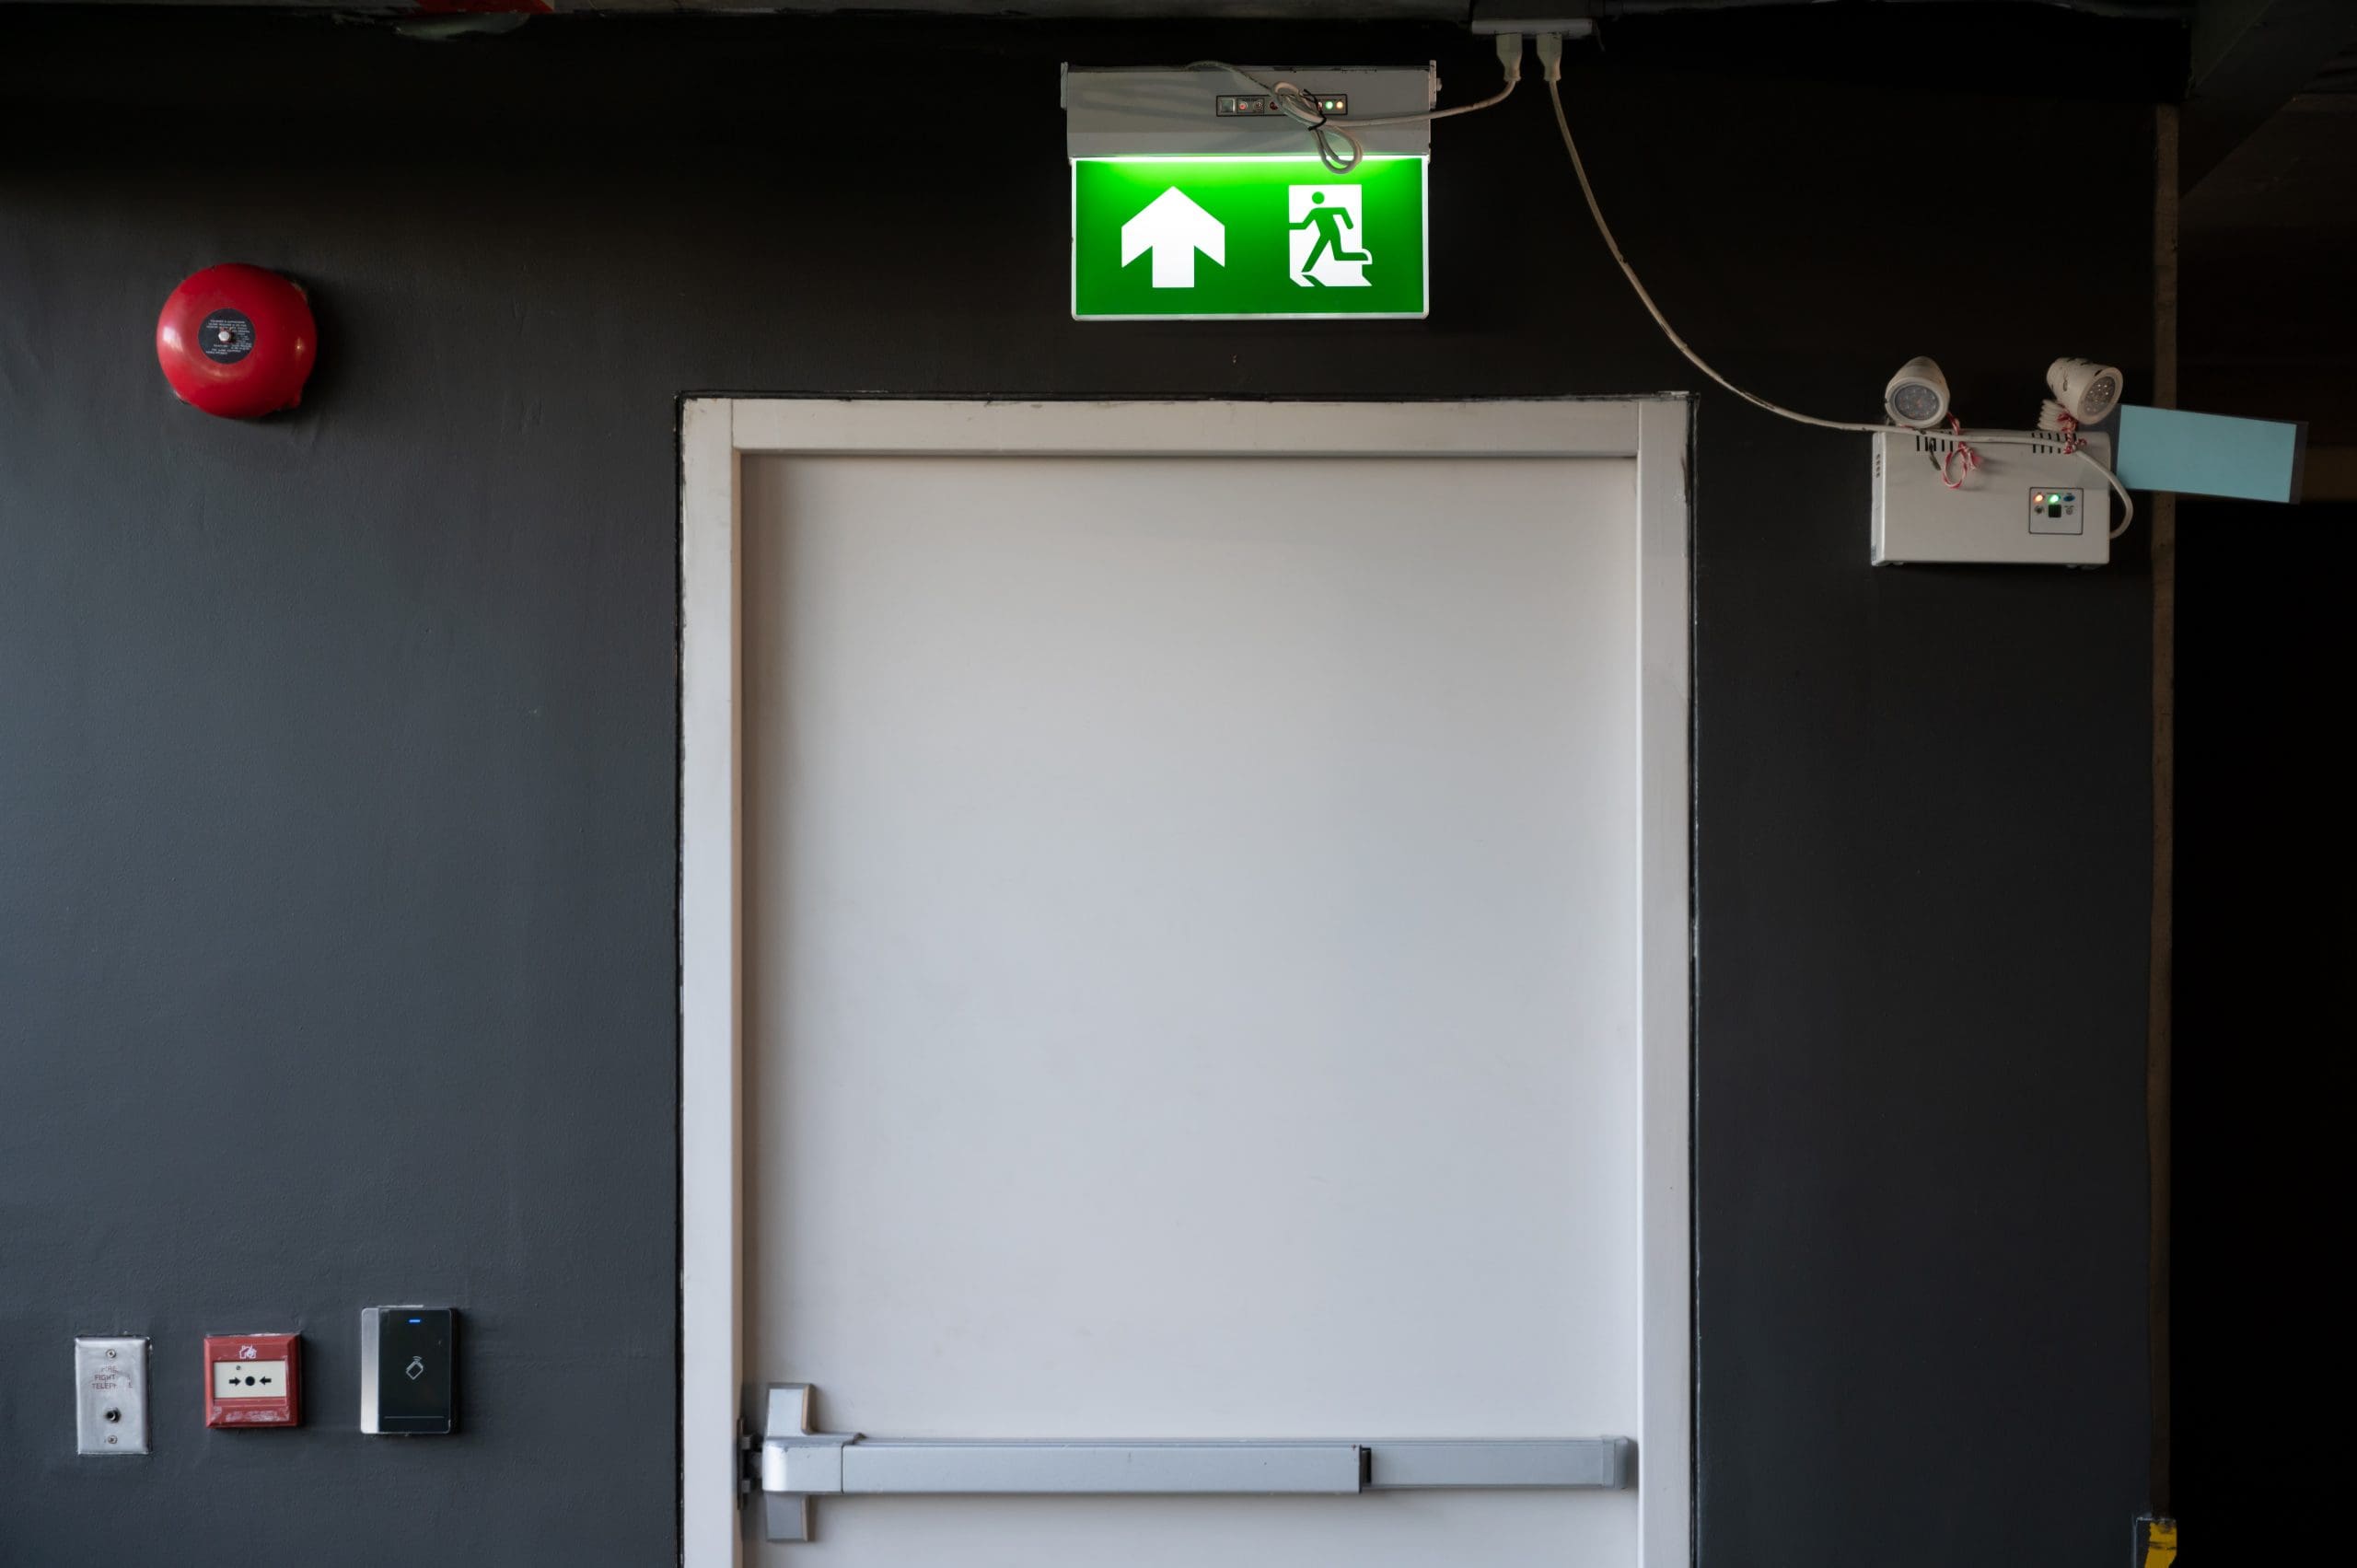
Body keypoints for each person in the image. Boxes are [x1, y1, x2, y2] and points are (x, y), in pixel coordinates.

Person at [1289, 192, 1369, 285]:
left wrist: (1349, 224)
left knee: (1331, 253)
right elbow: (1303, 225)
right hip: (1326, 234)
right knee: (1339, 255)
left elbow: (1342, 210)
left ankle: (1306, 269)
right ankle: (1362, 256)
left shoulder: (1318, 211)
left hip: (1332, 233)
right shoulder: (1315, 212)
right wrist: (1289, 226)